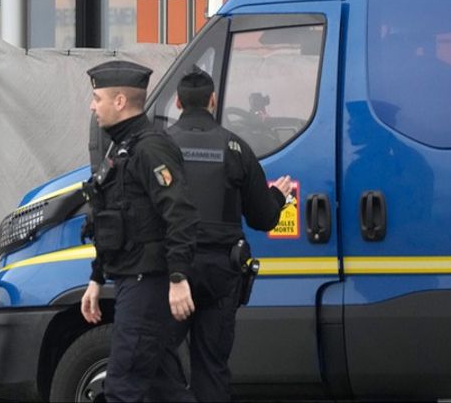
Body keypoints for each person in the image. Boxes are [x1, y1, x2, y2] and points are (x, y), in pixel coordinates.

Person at [165, 68, 294, 402]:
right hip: (221, 273)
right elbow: (264, 217)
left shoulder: (161, 147)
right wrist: (279, 196)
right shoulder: (235, 148)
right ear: (213, 101)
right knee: (212, 368)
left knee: (158, 362)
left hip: (173, 274)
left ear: (178, 102)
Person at [78, 59, 199, 402]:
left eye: (97, 98)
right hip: (133, 279)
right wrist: (97, 277)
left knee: (122, 387)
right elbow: (110, 217)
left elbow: (180, 213)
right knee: (164, 389)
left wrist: (177, 277)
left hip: (148, 284)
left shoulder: (151, 148)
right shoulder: (122, 148)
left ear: (119, 101)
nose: (92, 106)